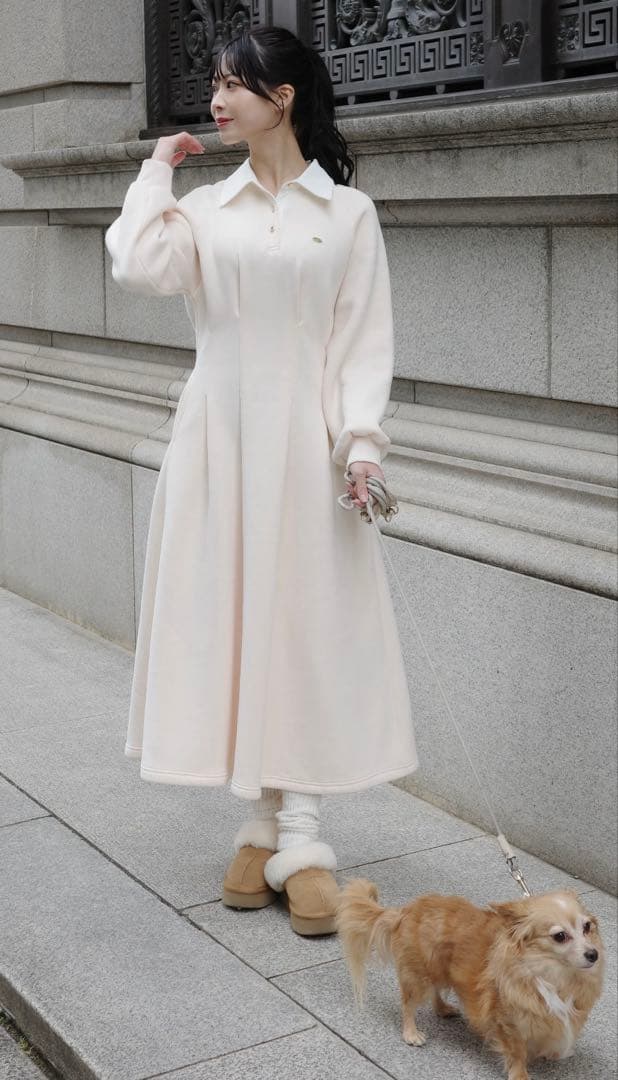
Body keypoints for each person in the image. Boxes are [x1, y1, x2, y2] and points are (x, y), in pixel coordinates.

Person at [105, 25, 418, 937]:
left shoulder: (348, 215)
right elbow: (136, 265)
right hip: (219, 441)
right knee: (235, 620)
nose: (216, 100)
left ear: (282, 98)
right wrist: (157, 173)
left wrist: (362, 446)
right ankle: (263, 822)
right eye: (213, 82)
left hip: (308, 448)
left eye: (234, 84)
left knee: (305, 627)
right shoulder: (207, 209)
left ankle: (302, 833)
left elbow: (363, 340)